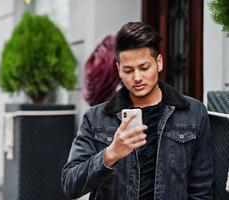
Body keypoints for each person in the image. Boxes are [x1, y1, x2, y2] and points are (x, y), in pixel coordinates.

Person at [61, 21, 214, 200]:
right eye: (128, 70)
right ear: (118, 69)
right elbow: (70, 184)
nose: (137, 78)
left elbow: (201, 190)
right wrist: (110, 155)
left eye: (144, 68)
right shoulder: (96, 118)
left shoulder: (194, 113)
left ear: (159, 63)